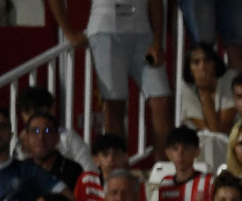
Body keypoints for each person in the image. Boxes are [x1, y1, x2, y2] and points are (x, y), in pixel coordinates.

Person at [46, 0, 172, 161]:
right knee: (114, 105)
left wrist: (157, 40)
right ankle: (118, 170)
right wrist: (68, 31)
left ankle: (163, 170)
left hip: (143, 33)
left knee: (161, 100)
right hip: (106, 30)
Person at [10, 86, 96, 172]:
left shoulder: (68, 138)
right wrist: (24, 152)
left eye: (37, 111)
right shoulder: (19, 143)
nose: (33, 117)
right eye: (27, 112)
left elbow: (90, 173)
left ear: (51, 110)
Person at [74, 133, 129, 201]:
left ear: (125, 158)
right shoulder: (87, 180)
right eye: (105, 154)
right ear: (96, 160)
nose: (111, 158)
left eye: (116, 153)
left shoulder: (134, 184)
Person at [182, 44, 238, 136]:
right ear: (189, 69)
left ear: (215, 64)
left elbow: (217, 132)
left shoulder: (229, 79)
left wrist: (204, 93)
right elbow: (208, 132)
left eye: (207, 61)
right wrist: (204, 93)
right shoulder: (186, 87)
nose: (203, 66)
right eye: (196, 62)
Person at [21, 113, 84, 190]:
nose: (41, 137)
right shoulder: (20, 171)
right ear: (27, 138)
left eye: (47, 131)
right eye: (35, 131)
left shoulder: (73, 171)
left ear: (57, 138)